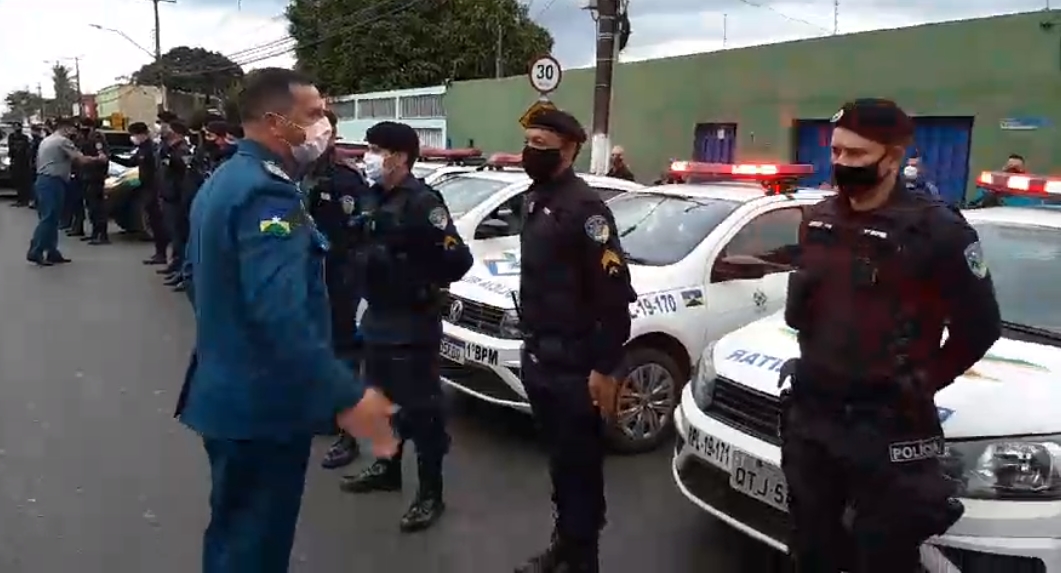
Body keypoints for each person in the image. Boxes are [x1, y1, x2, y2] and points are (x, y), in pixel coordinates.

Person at [175, 67, 398, 573]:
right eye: (314, 114)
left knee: (232, 535)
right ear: (278, 123)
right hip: (264, 409)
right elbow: (281, 314)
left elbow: (194, 276)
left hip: (228, 395)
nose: (324, 125)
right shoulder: (267, 193)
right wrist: (349, 397)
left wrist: (230, 338)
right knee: (256, 548)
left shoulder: (224, 180)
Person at [780, 98, 1002, 572]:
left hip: (887, 425)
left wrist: (921, 383)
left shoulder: (938, 231)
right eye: (836, 152)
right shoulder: (819, 220)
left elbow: (980, 327)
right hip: (812, 417)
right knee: (810, 546)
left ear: (893, 157)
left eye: (856, 155)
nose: (841, 164)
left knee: (884, 554)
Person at [514, 109, 636, 573]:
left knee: (581, 470)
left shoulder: (586, 210)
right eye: (529, 141)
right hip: (540, 356)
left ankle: (584, 559)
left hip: (576, 366)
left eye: (542, 145)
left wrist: (605, 368)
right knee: (561, 466)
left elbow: (613, 297)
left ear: (570, 150)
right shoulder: (535, 198)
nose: (532, 151)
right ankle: (564, 543)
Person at [338, 120, 472, 533]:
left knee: (423, 412)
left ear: (399, 157)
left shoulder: (421, 203)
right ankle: (387, 468)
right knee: (381, 403)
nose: (369, 156)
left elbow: (457, 261)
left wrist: (416, 266)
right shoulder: (372, 195)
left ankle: (430, 493)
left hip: (412, 325)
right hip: (377, 318)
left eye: (377, 149)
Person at [303, 109, 373, 470]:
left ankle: (349, 434)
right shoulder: (296, 175)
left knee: (345, 352)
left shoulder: (347, 179)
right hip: (309, 276)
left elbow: (362, 231)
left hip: (342, 276)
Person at [27, 117, 106, 266]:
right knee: (49, 218)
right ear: (66, 128)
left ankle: (52, 251)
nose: (74, 132)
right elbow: (80, 159)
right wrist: (99, 159)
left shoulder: (48, 140)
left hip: (44, 180)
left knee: (52, 218)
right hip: (53, 181)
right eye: (73, 129)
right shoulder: (62, 141)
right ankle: (36, 251)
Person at [114, 122, 168, 266]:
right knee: (153, 220)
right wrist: (113, 158)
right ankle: (159, 253)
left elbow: (157, 169)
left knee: (157, 222)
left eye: (134, 134)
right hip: (145, 187)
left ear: (142, 134)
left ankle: (161, 253)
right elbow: (132, 162)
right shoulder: (142, 148)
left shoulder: (152, 149)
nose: (133, 138)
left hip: (153, 188)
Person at [159, 121, 193, 288]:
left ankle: (182, 273)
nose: (165, 130)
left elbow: (182, 170)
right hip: (168, 196)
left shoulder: (182, 150)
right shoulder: (168, 148)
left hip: (177, 198)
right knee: (174, 235)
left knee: (180, 236)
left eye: (169, 129)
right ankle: (175, 267)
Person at [76, 119, 111, 245]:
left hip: (95, 176)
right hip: (86, 176)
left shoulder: (97, 138)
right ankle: (95, 233)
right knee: (91, 207)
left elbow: (103, 158)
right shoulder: (83, 138)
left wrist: (89, 160)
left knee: (98, 207)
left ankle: (102, 234)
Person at [7, 123, 33, 207]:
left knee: (24, 181)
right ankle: (20, 199)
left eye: (18, 126)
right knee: (17, 180)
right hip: (15, 161)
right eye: (15, 126)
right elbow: (11, 148)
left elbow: (26, 148)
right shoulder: (11, 137)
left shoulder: (24, 137)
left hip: (23, 162)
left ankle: (24, 199)